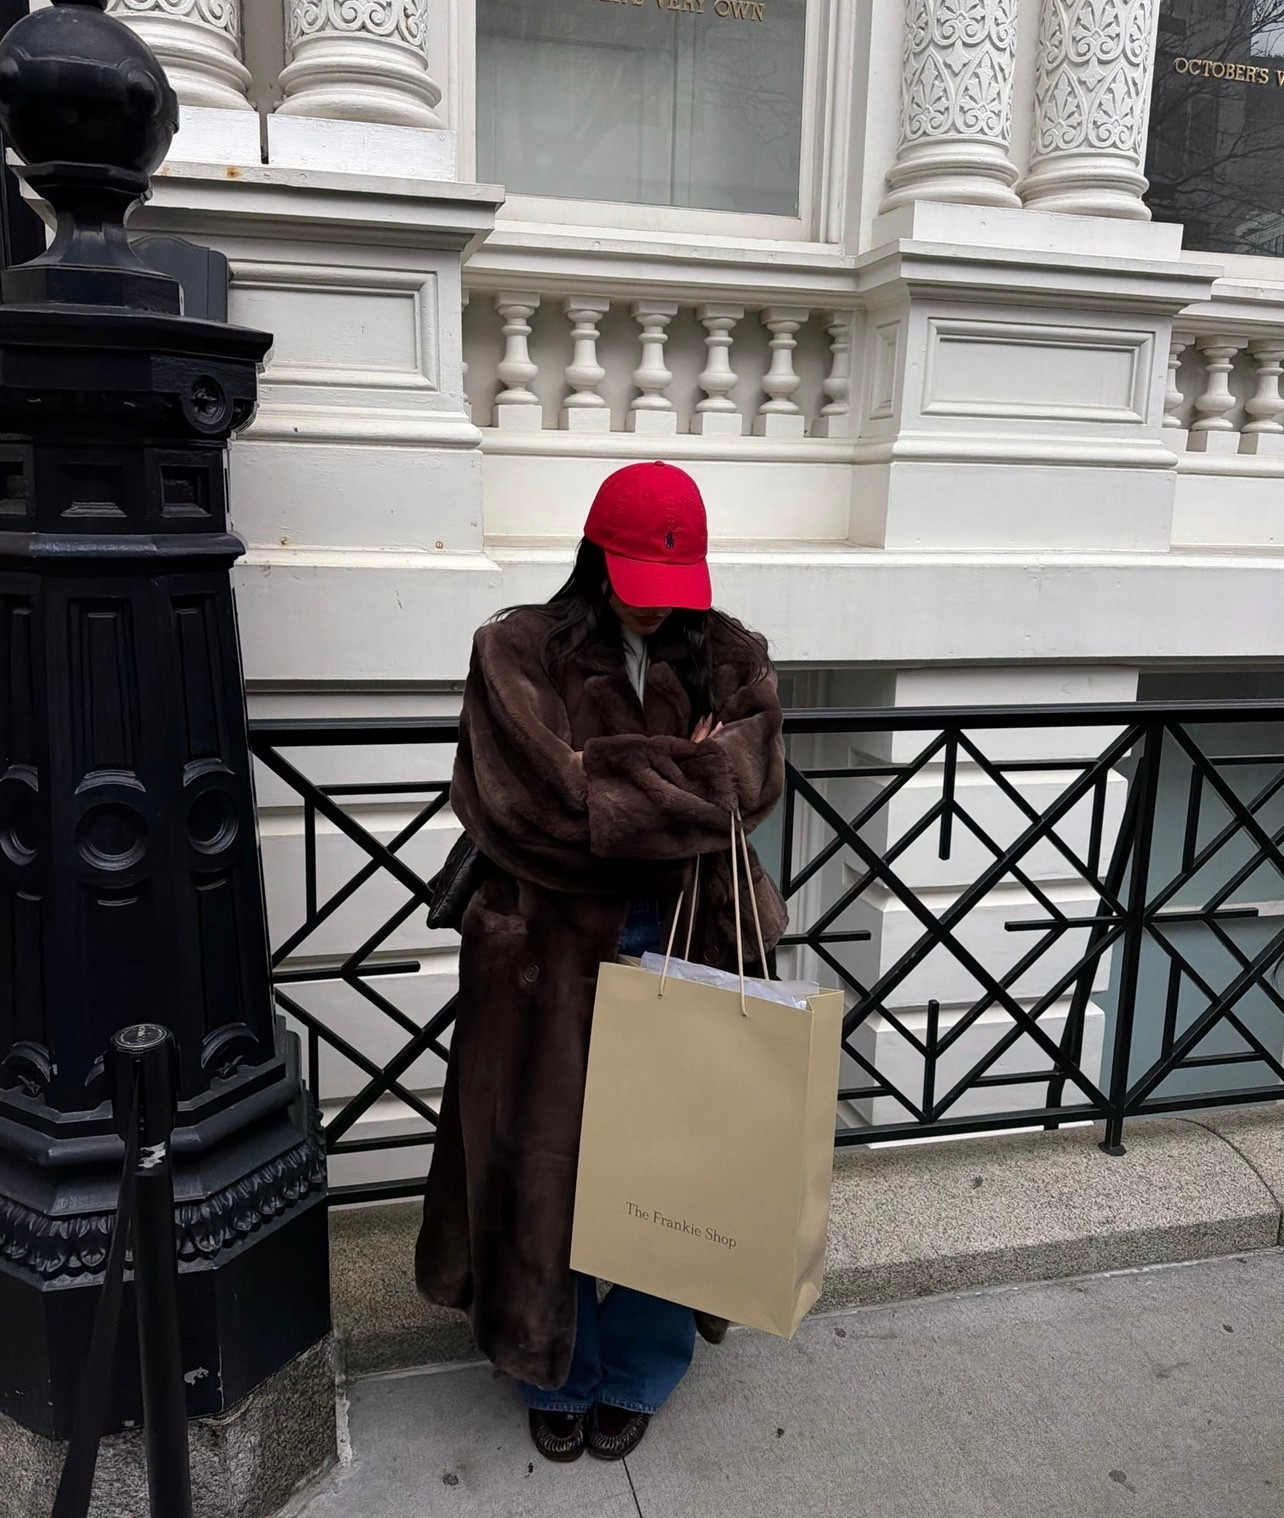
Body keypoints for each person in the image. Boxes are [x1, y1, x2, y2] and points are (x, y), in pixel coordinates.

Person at [415, 460, 787, 1464]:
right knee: (551, 1169)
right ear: (595, 556)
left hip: (680, 938)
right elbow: (532, 811)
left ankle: (640, 1368)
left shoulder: (732, 653)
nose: (660, 608)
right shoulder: (515, 650)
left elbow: (749, 783)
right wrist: (682, 775)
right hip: (546, 952)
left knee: (672, 1168)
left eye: (676, 586)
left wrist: (614, 784)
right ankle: (557, 1364)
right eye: (637, 578)